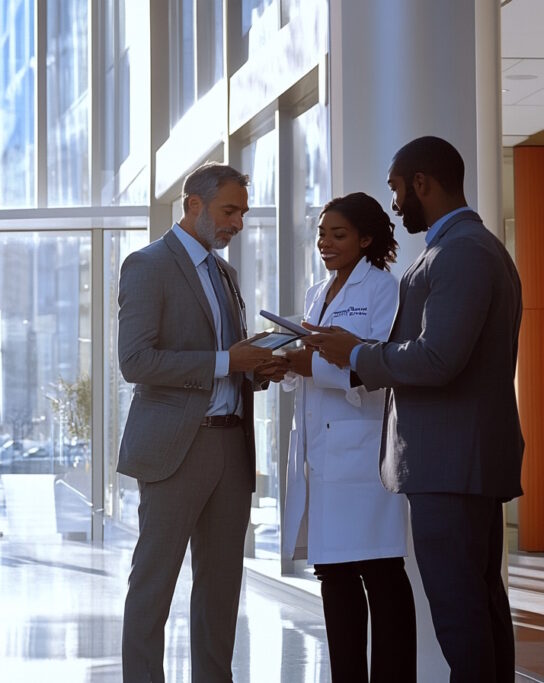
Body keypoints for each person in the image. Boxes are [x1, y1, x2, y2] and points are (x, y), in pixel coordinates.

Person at [305, 136, 523, 683]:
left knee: (461, 613)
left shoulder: (461, 253)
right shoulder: (466, 249)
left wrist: (355, 353)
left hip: (450, 463)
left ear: (421, 183)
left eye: (398, 189)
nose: (396, 204)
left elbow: (438, 358)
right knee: (477, 606)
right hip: (458, 460)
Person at [117, 162, 287, 682]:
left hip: (230, 450)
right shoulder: (147, 265)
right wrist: (226, 362)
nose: (237, 223)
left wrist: (258, 368)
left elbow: (230, 359)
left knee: (220, 588)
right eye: (229, 211)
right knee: (154, 585)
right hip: (175, 451)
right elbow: (135, 362)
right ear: (193, 205)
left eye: (243, 213)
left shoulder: (226, 274)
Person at [280, 192, 416, 682]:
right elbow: (317, 360)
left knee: (381, 574)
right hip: (322, 453)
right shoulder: (319, 292)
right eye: (321, 234)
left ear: (365, 238)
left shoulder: (385, 289)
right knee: (334, 576)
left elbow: (376, 366)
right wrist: (288, 365)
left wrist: (309, 363)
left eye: (337, 235)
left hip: (361, 456)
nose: (325, 243)